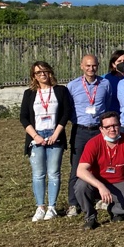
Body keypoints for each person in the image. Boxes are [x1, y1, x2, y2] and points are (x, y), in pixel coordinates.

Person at [74, 112, 124, 230]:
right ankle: (90, 216)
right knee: (80, 186)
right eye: (107, 127)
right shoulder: (93, 143)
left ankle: (114, 210)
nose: (112, 129)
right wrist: (100, 186)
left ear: (120, 125)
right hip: (97, 183)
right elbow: (80, 171)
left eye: (115, 125)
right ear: (101, 129)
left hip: (119, 183)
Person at [20, 61, 72, 221]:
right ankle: (40, 207)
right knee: (38, 174)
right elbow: (23, 117)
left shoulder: (60, 90)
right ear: (34, 76)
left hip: (55, 135)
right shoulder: (29, 93)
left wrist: (56, 134)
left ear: (50, 72)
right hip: (36, 136)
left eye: (45, 71)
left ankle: (52, 207)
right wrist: (35, 136)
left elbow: (66, 113)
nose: (42, 74)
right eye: (38, 72)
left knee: (54, 173)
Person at [65, 54, 112, 217]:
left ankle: (100, 197)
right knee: (77, 166)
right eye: (88, 66)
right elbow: (69, 107)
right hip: (80, 130)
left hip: (99, 130)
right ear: (81, 66)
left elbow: (107, 104)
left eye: (94, 66)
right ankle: (73, 203)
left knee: (100, 164)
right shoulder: (72, 86)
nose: (91, 69)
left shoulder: (105, 84)